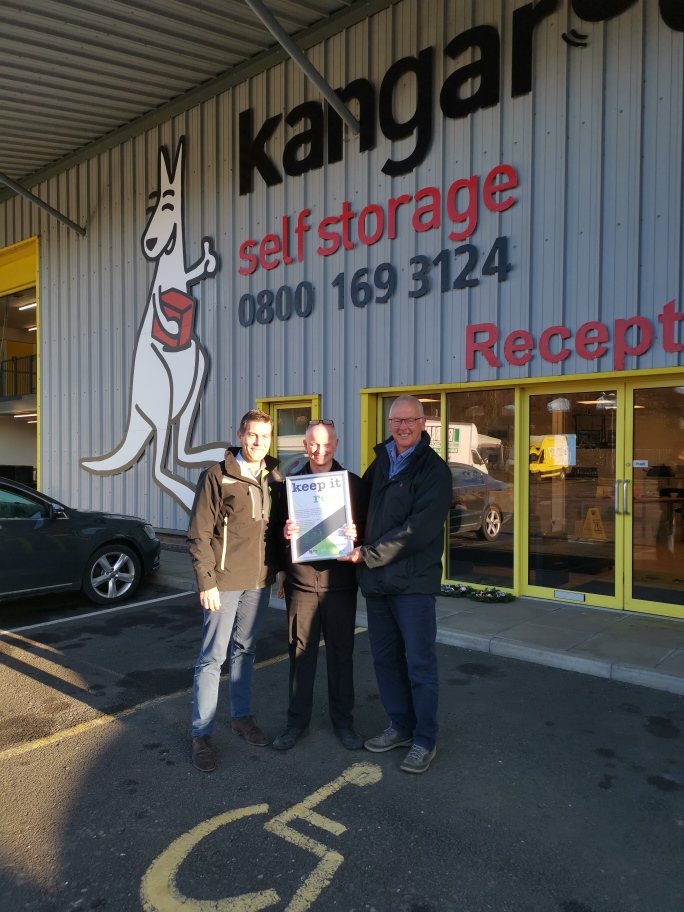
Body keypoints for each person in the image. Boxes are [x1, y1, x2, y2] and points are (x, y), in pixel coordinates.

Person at [340, 395, 452, 774]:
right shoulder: (383, 462)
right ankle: (400, 726)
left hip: (413, 585)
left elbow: (417, 531)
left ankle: (424, 739)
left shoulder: (434, 471)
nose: (402, 428)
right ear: (389, 425)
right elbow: (358, 505)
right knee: (386, 660)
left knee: (419, 664)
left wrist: (367, 554)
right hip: (378, 583)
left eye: (409, 421)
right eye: (395, 422)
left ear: (423, 424)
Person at [187, 408, 285, 772]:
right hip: (224, 583)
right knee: (212, 658)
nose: (259, 442)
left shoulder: (273, 477)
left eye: (265, 436)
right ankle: (202, 734)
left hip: (259, 582)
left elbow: (275, 533)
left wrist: (280, 573)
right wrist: (206, 581)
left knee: (246, 651)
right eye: (253, 435)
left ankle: (241, 717)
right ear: (241, 435)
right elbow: (198, 534)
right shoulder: (218, 476)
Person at [272, 419, 367, 751]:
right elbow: (275, 535)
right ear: (305, 445)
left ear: (336, 445)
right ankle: (296, 723)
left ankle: (344, 724)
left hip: (340, 584)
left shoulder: (353, 485)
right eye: (314, 443)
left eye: (327, 443)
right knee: (301, 656)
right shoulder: (291, 487)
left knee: (341, 656)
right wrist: (286, 540)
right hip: (301, 584)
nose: (320, 449)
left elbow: (368, 535)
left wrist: (357, 539)